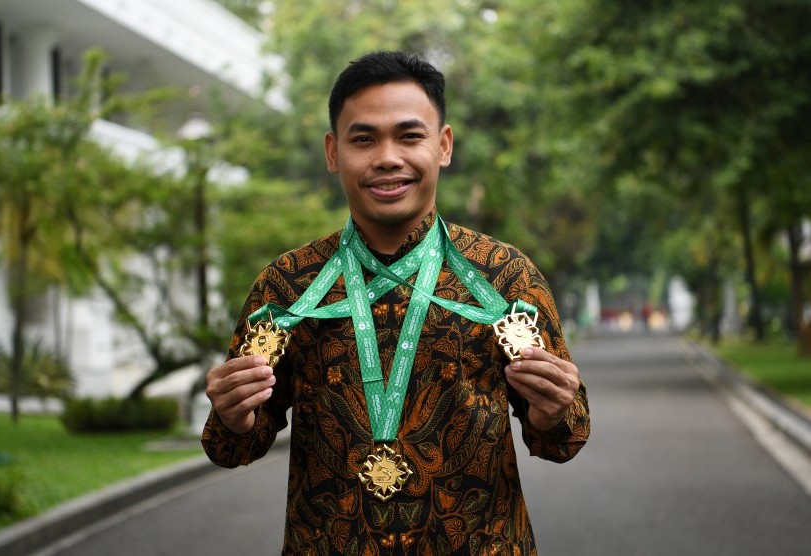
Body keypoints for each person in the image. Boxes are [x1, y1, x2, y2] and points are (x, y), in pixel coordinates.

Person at [202, 50, 590, 555]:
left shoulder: (504, 277)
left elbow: (564, 438)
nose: (387, 157)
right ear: (332, 152)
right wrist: (234, 417)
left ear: (443, 145)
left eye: (410, 136)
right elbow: (234, 445)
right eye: (363, 139)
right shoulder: (287, 287)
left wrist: (551, 410)